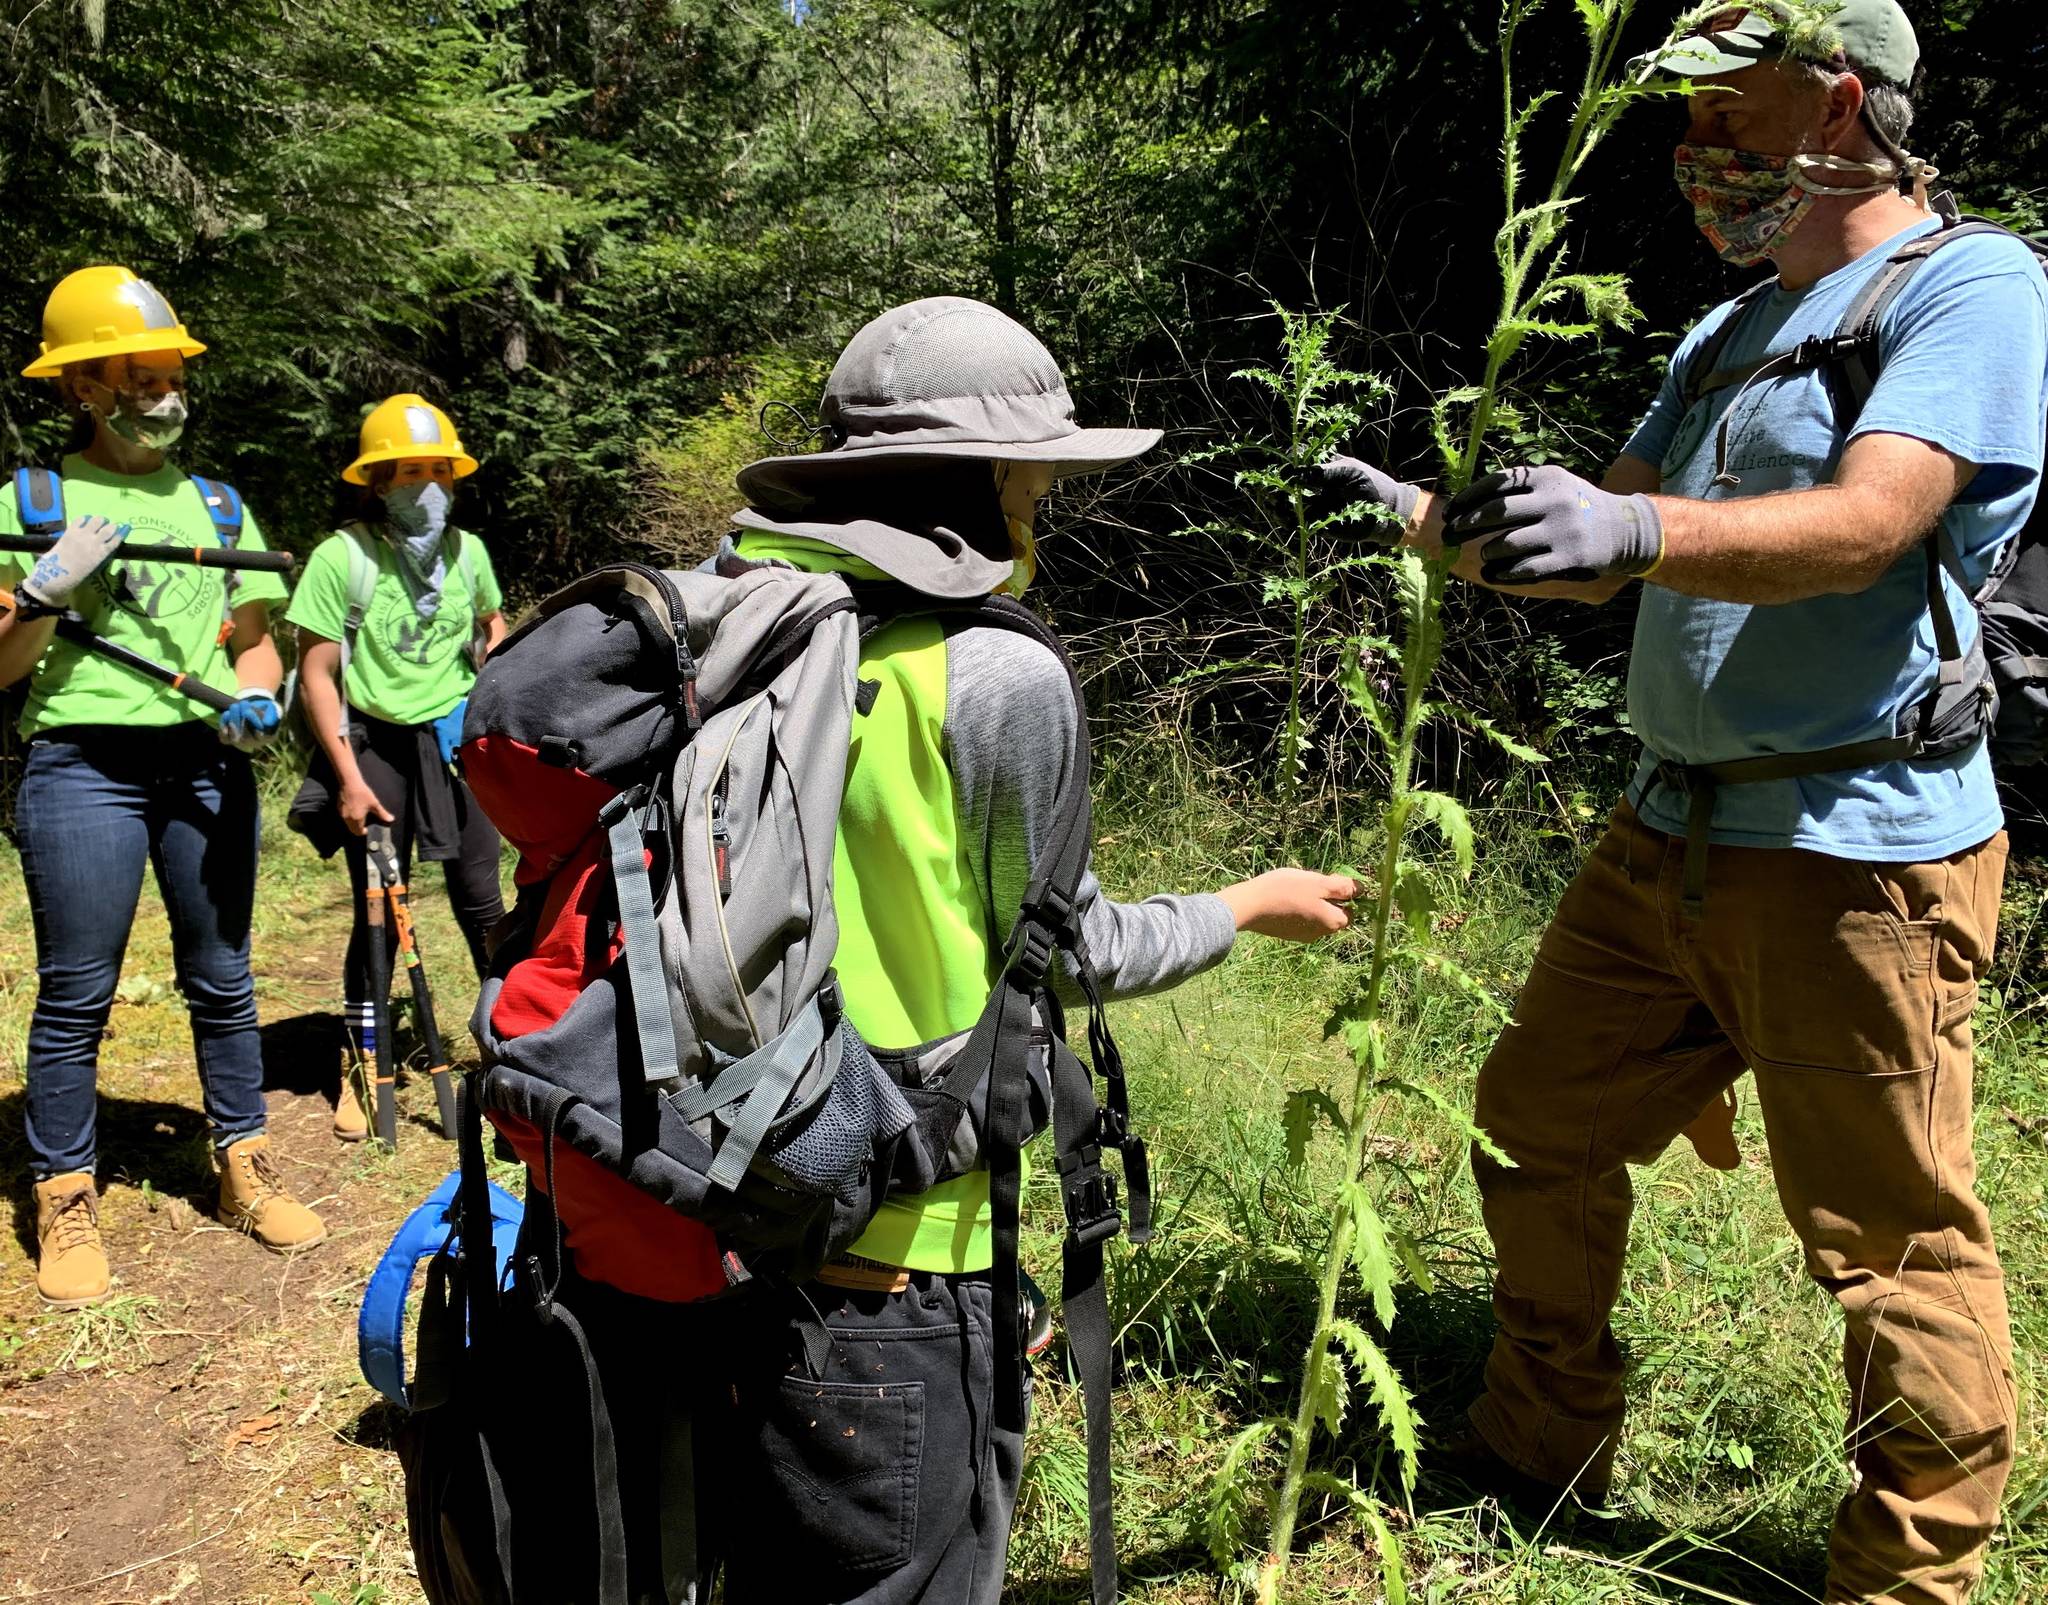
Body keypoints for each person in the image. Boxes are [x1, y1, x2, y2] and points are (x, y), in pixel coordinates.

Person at [1312, 5, 2046, 1600]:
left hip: (1857, 856)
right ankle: (1541, 1435)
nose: (1694, 143)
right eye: (1687, 110)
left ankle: (1909, 1572)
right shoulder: (1728, 331)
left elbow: (1871, 521)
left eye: (1729, 105)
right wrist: (1448, 526)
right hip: (1668, 834)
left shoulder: (1973, 286)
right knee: (1531, 1124)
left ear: (1843, 101)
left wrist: (1639, 533)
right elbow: (1606, 545)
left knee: (1891, 1244)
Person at [470, 297, 1359, 1603]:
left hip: (672, 1218)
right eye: (1033, 481)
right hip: (885, 1267)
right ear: (980, 485)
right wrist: (1247, 904)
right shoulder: (996, 677)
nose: (1040, 509)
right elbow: (1073, 957)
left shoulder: (728, 628)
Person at [0, 266, 323, 1309]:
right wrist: (44, 590)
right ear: (82, 387)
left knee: (223, 975)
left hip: (204, 762)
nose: (160, 393)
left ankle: (243, 1164)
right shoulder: (32, 501)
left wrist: (255, 698)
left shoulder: (219, 504)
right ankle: (65, 1195)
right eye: (134, 375)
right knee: (77, 991)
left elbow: (252, 645)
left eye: (169, 371)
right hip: (81, 765)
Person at [285, 394, 508, 1141]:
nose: (429, 486)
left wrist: (492, 692)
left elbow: (491, 628)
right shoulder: (342, 558)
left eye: (439, 471)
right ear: (378, 482)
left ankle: (513, 1044)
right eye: (410, 472)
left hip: (452, 741)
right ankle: (362, 1060)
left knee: (484, 896)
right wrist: (346, 775)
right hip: (375, 744)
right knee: (380, 905)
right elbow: (316, 670)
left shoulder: (467, 554)